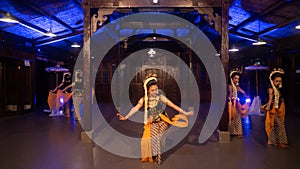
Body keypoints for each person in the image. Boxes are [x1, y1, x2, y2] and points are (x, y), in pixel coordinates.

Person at [117, 74, 193, 164]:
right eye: (153, 90)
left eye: (156, 89)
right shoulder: (144, 100)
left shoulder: (160, 97)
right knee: (152, 139)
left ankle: (158, 158)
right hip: (152, 122)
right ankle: (155, 154)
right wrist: (125, 117)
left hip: (163, 121)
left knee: (157, 137)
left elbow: (173, 105)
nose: (155, 92)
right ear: (148, 91)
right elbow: (135, 109)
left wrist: (185, 113)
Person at [264, 68, 288, 148]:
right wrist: (268, 107)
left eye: (279, 81)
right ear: (272, 81)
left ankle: (273, 140)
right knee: (280, 125)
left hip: (277, 110)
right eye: (277, 81)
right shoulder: (271, 89)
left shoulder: (277, 89)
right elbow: (270, 99)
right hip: (272, 110)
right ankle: (281, 142)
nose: (278, 83)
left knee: (274, 125)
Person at [227, 69, 251, 137]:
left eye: (238, 79)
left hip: (236, 103)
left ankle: (238, 132)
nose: (237, 80)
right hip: (232, 103)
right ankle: (232, 132)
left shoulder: (236, 86)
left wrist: (245, 94)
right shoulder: (230, 86)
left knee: (237, 117)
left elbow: (242, 91)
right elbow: (230, 95)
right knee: (232, 117)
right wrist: (231, 100)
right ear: (232, 78)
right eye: (235, 78)